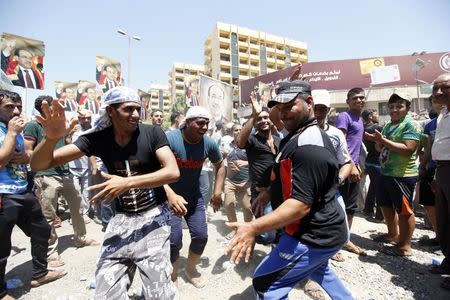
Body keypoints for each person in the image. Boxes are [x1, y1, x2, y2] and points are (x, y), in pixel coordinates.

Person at [29, 86, 179, 299]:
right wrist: (51, 138)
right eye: (128, 109)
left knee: (160, 294)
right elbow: (39, 163)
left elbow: (172, 172)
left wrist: (127, 184)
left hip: (154, 215)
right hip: (122, 218)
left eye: (138, 109)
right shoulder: (98, 138)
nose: (136, 114)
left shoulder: (152, 132)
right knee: (106, 292)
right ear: (110, 111)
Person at [226, 80, 352, 299]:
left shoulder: (309, 146)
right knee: (319, 269)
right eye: (280, 109)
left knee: (265, 284)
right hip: (321, 230)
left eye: (290, 106)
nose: (283, 114)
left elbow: (300, 205)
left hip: (313, 235)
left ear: (309, 102)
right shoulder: (294, 135)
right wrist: (269, 192)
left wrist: (253, 227)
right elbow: (290, 175)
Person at [0, 89, 66, 300]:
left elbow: (29, 156)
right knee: (2, 245)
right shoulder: (10, 130)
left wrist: (24, 157)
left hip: (23, 191)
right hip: (3, 194)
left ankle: (40, 273)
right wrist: (10, 134)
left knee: (42, 230)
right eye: (9, 107)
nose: (16, 111)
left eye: (18, 106)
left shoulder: (16, 131)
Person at [24, 96, 98, 265]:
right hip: (45, 175)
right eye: (52, 106)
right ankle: (51, 253)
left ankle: (81, 238)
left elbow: (67, 145)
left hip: (65, 173)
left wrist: (70, 132)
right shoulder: (33, 126)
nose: (56, 109)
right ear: (43, 110)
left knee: (78, 207)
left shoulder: (61, 124)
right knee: (48, 215)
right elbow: (29, 153)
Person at [165, 106, 225, 288]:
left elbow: (220, 166)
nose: (205, 127)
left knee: (201, 236)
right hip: (170, 198)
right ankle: (173, 274)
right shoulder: (170, 139)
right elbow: (154, 169)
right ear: (188, 122)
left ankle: (190, 269)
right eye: (200, 123)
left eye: (207, 123)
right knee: (174, 241)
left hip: (194, 197)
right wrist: (170, 194)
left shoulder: (208, 143)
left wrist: (217, 192)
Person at [366, 92, 421, 256]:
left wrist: (383, 141)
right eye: (391, 107)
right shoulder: (389, 125)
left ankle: (404, 246)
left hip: (402, 176)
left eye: (399, 106)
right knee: (386, 206)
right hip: (385, 173)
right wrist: (377, 141)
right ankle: (392, 235)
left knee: (404, 211)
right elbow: (381, 149)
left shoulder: (412, 125)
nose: (394, 110)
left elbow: (408, 149)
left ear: (407, 107)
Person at [236, 91, 280, 245]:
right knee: (268, 235)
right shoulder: (253, 140)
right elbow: (240, 142)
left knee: (279, 230)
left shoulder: (278, 140)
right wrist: (253, 116)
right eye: (259, 119)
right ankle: (247, 237)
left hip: (278, 190)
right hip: (260, 192)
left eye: (265, 117)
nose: (263, 121)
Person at [335, 87, 366, 256]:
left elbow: (357, 143)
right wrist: (352, 165)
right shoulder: (344, 117)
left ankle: (345, 240)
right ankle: (332, 244)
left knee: (351, 206)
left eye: (361, 98)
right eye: (355, 98)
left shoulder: (360, 119)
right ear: (348, 101)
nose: (359, 100)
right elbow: (341, 142)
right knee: (337, 205)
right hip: (344, 167)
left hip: (355, 167)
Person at [429, 73, 450, 290]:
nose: (439, 92)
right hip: (443, 170)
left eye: (445, 87)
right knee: (444, 221)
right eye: (436, 87)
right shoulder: (443, 114)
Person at [418, 96, 444, 247]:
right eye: (435, 101)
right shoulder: (429, 126)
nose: (439, 103)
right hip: (431, 168)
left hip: (445, 169)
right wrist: (422, 166)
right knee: (429, 204)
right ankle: (439, 236)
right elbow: (426, 149)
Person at [223, 123, 253, 239]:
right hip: (230, 181)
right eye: (236, 130)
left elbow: (258, 161)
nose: (238, 131)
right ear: (232, 132)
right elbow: (221, 160)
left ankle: (247, 229)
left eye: (241, 129)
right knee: (228, 204)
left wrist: (246, 163)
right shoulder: (227, 145)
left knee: (247, 207)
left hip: (246, 182)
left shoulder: (249, 145)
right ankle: (234, 229)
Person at [362, 109, 383, 221]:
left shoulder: (363, 128)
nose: (378, 115)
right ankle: (380, 214)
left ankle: (368, 209)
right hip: (378, 162)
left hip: (369, 161)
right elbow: (381, 145)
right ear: (370, 116)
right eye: (376, 114)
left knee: (373, 187)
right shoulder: (377, 128)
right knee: (380, 188)